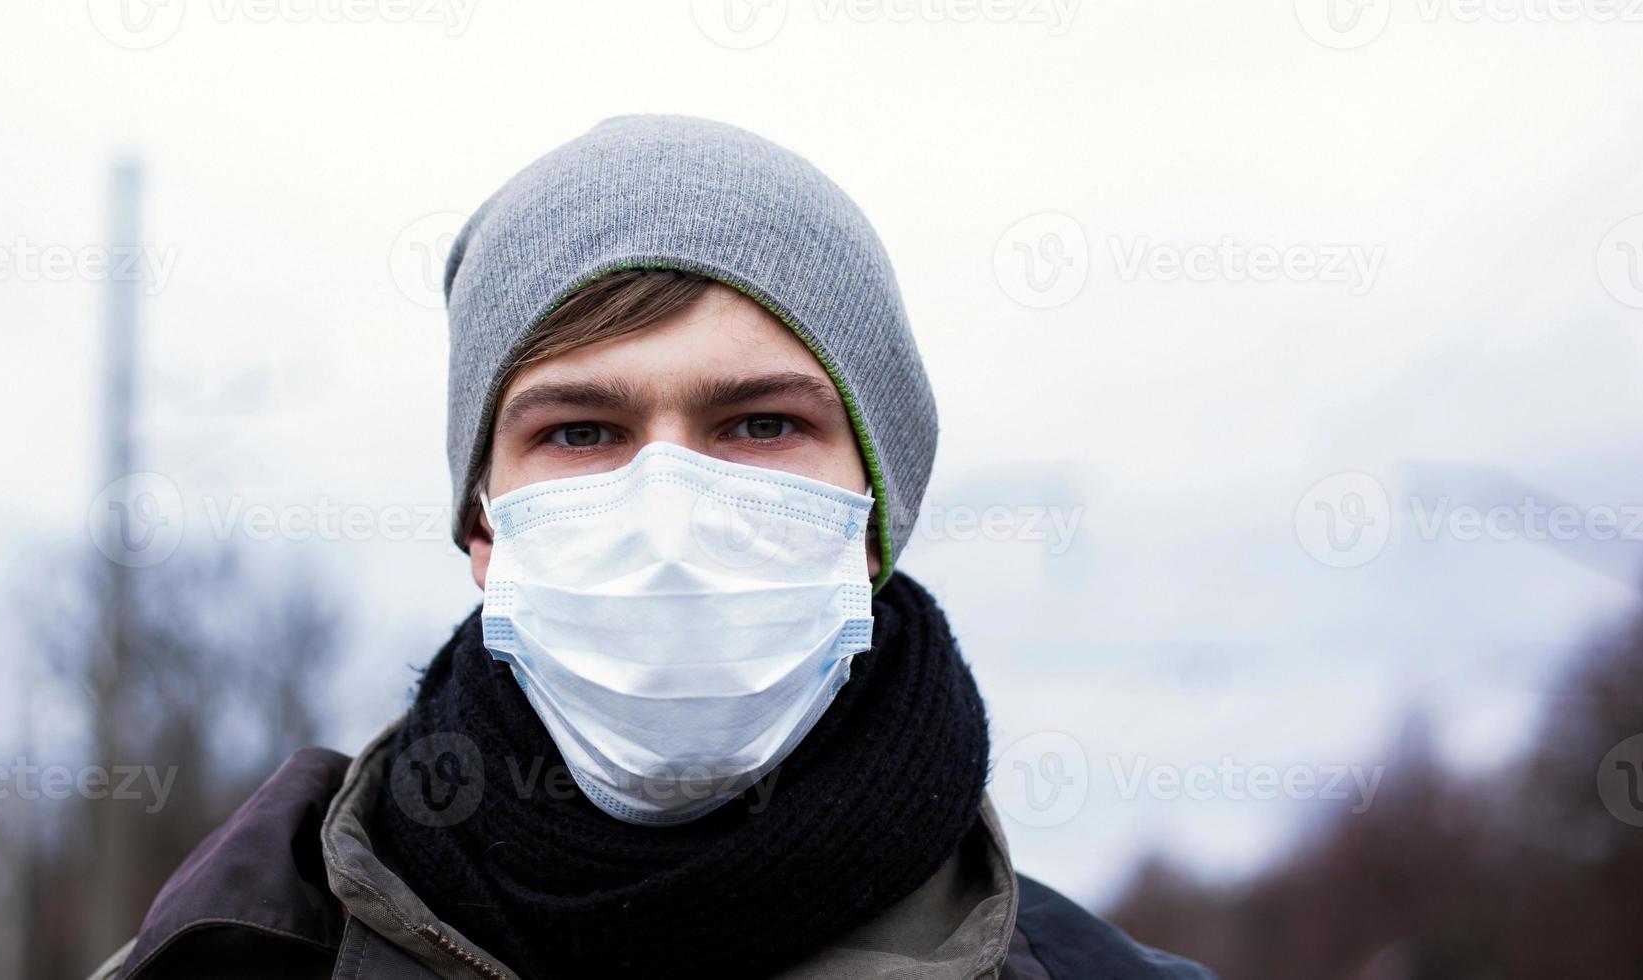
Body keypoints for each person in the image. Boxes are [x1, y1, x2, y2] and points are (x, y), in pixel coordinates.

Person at [90, 115, 1216, 980]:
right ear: (481, 521)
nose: (669, 513)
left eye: (760, 422)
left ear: (875, 511)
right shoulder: (227, 956)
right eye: (581, 430)